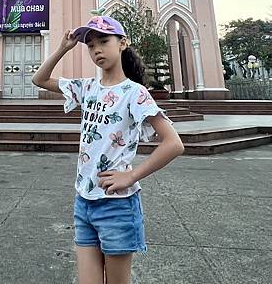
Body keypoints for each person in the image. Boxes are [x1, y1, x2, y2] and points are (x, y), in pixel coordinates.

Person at [32, 14, 184, 284]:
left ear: (122, 43)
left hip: (117, 206)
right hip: (84, 201)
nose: (97, 49)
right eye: (90, 45)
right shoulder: (88, 88)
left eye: (103, 41)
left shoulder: (134, 93)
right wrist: (63, 48)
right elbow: (40, 80)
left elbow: (173, 144)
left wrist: (131, 176)